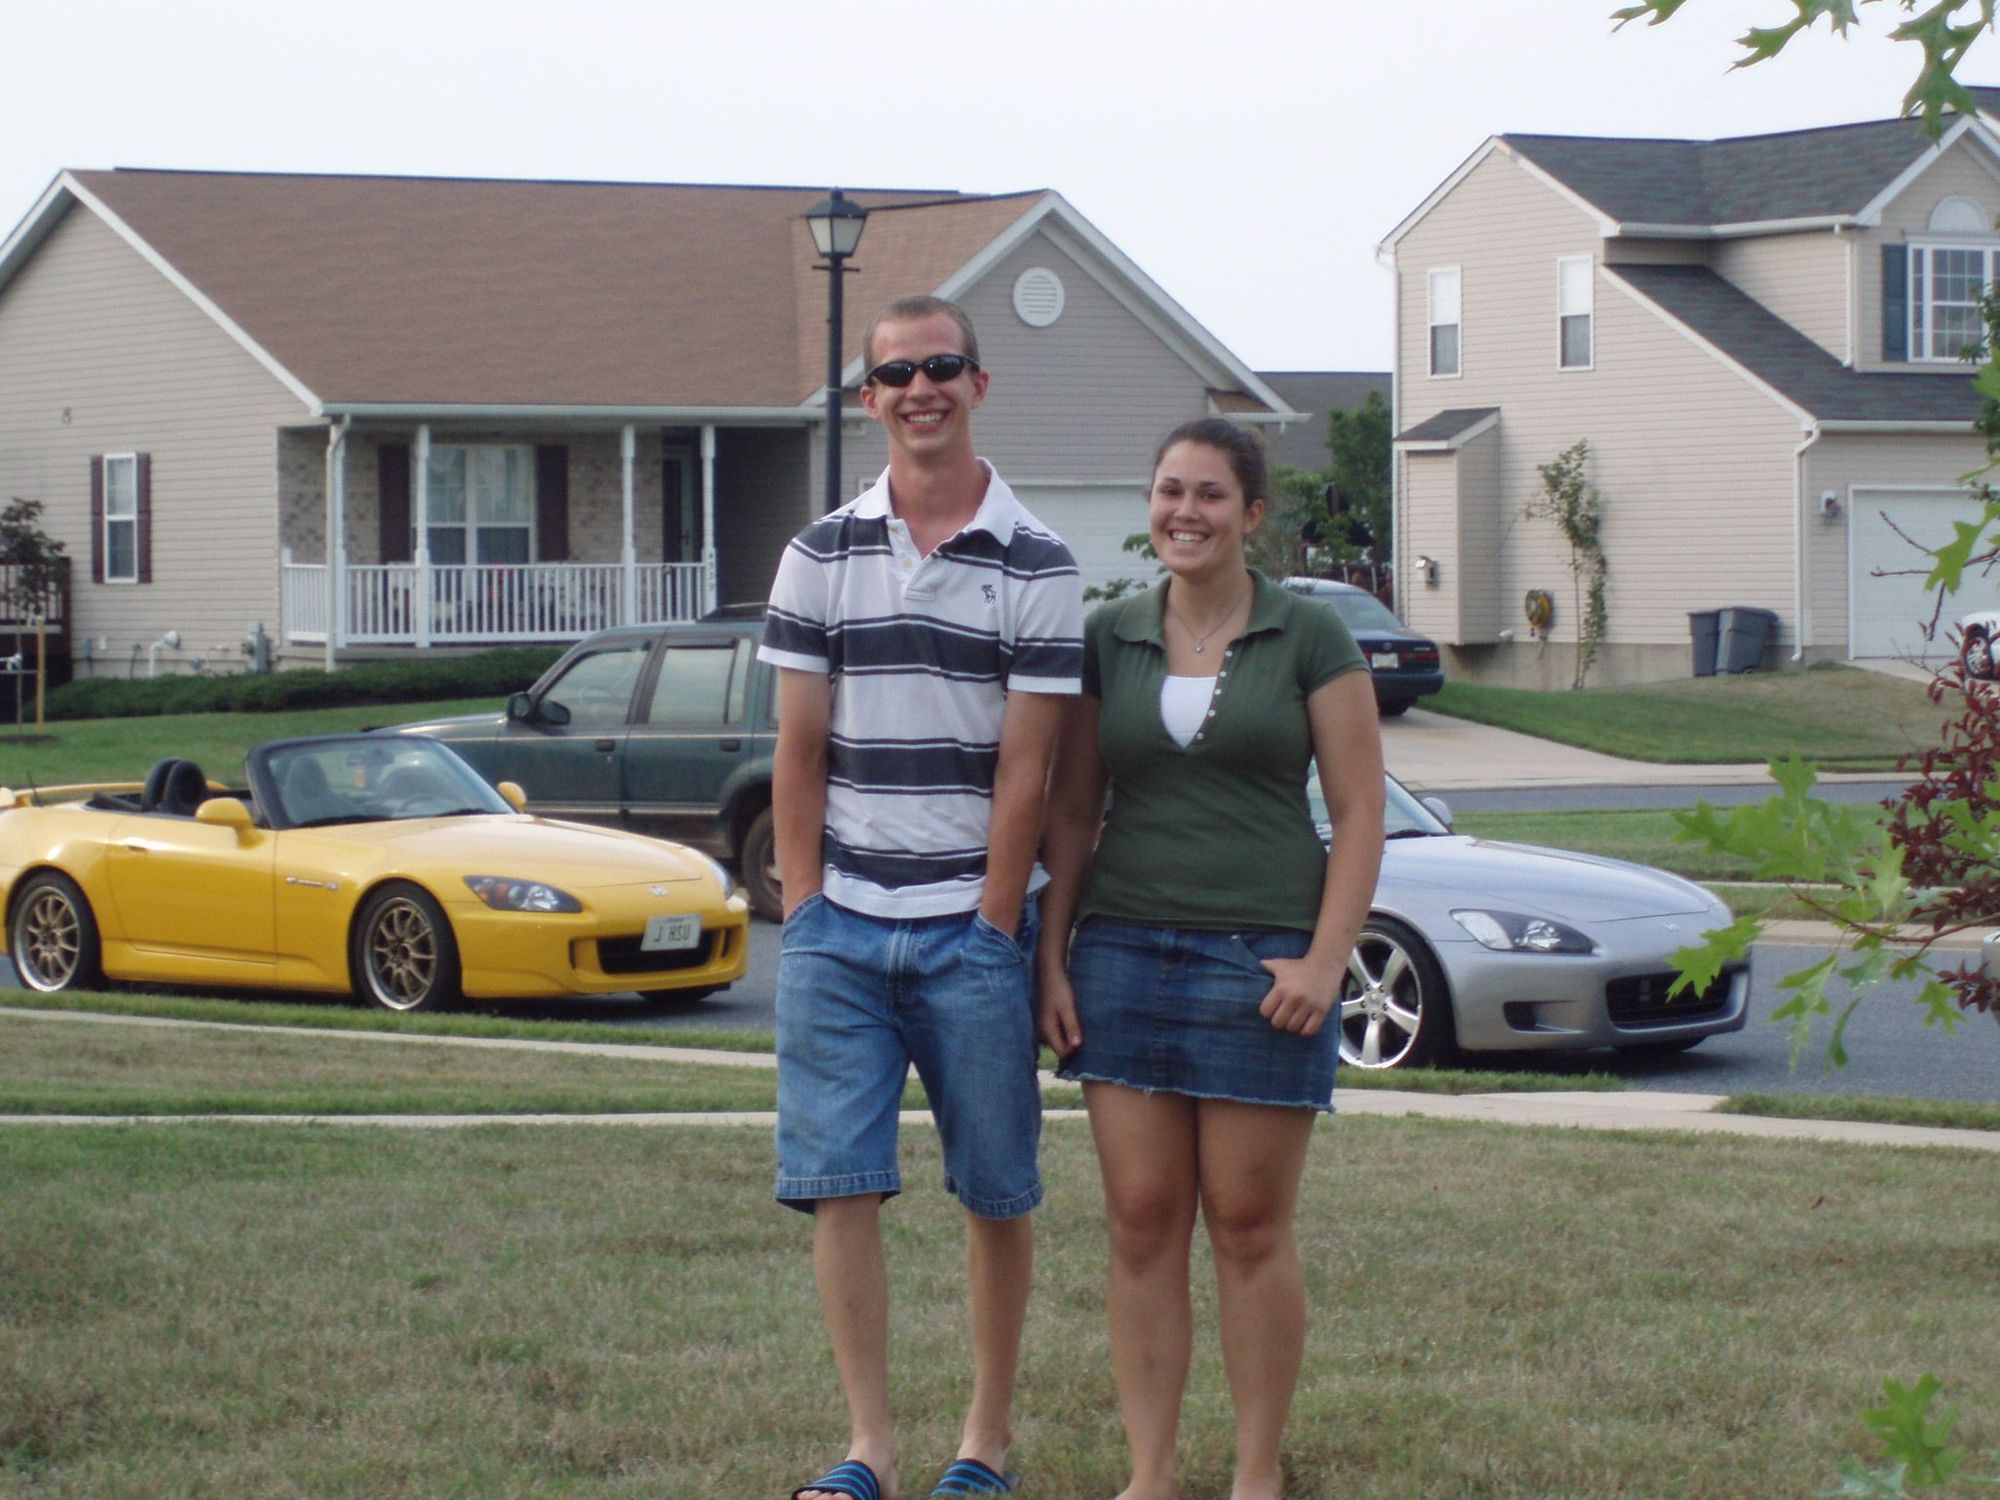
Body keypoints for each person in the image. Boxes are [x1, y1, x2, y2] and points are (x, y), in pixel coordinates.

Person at [759, 294, 1084, 1500]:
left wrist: (994, 925)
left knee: (994, 1191)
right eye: (896, 374)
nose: (920, 389)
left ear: (977, 384)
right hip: (839, 929)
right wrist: (807, 910)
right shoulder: (818, 555)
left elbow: (1028, 772)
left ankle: (981, 1446)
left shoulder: (1038, 561)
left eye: (941, 366)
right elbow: (799, 750)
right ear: (868, 400)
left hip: (969, 934)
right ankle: (868, 1451)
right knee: (838, 1188)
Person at [1036, 417, 1385, 1500]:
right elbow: (1072, 808)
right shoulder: (1110, 634)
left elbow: (1360, 811)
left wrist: (1325, 962)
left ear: (1252, 514)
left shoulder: (1309, 634)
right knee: (1141, 1222)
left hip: (1262, 966)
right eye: (1169, 491)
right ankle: (1150, 1475)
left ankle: (1253, 1473)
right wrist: (1052, 959)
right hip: (1122, 954)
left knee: (1246, 1224)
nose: (1184, 512)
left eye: (1210, 495)